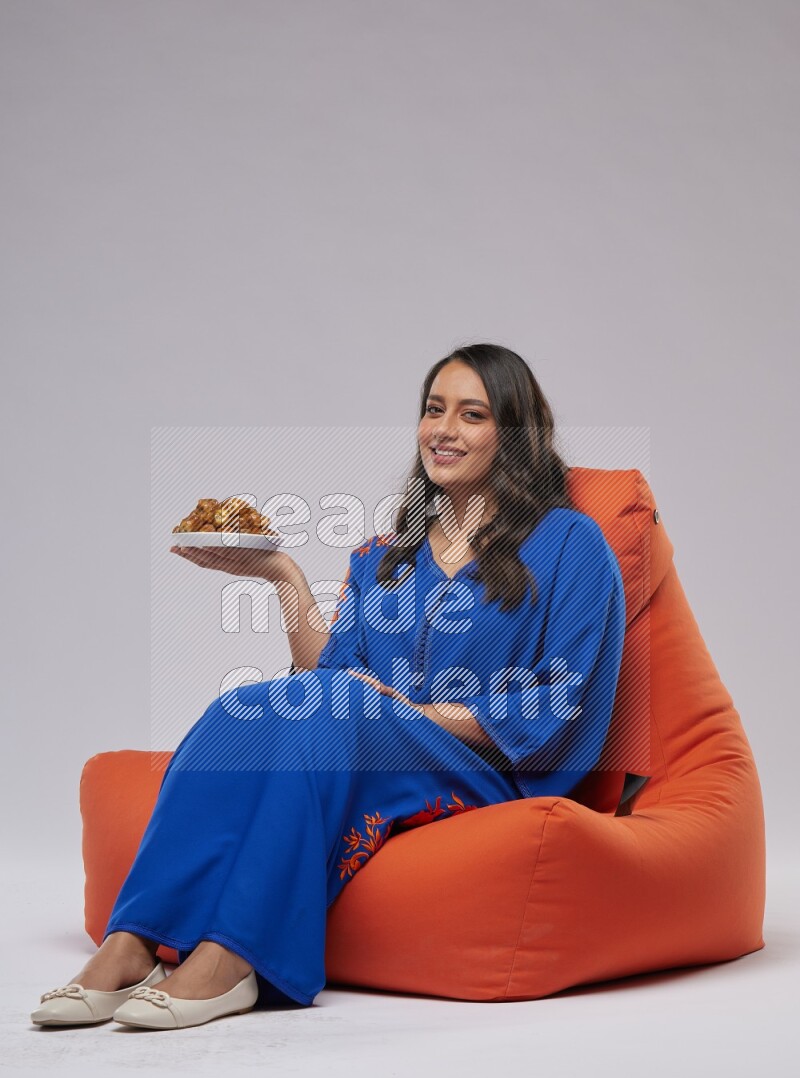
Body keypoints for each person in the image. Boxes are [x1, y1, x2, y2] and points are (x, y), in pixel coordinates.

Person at [31, 342, 627, 1030]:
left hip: (491, 770)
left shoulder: (569, 543)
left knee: (342, 705)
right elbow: (333, 676)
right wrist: (283, 574)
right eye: (434, 410)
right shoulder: (389, 555)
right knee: (246, 707)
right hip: (380, 740)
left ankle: (235, 958)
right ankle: (131, 941)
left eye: (471, 414)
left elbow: (559, 699)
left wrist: (412, 711)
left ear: (513, 432)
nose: (444, 429)